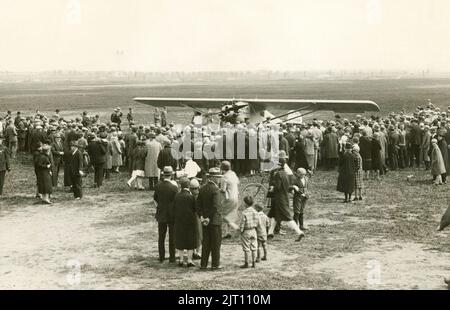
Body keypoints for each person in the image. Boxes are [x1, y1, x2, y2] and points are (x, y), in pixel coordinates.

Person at [267, 151, 305, 241]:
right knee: (274, 215)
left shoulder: (278, 174)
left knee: (287, 217)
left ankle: (299, 232)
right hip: (284, 197)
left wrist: (273, 188)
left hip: (278, 199)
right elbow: (287, 187)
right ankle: (270, 232)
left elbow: (278, 187)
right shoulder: (286, 174)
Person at [197, 167, 223, 270]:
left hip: (204, 221)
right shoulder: (216, 190)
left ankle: (203, 264)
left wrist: (202, 216)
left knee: (206, 242)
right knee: (216, 243)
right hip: (214, 220)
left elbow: (198, 205)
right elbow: (216, 206)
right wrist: (208, 218)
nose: (219, 179)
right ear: (213, 178)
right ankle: (215, 264)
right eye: (217, 177)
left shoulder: (202, 188)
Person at [153, 166, 179, 263]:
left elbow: (155, 199)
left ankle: (161, 256)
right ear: (171, 175)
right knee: (172, 237)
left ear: (163, 174)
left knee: (161, 236)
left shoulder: (158, 186)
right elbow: (177, 201)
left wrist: (158, 207)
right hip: (172, 215)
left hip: (161, 213)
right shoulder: (174, 188)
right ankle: (172, 257)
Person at [173, 177, 198, 267]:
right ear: (188, 185)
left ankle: (180, 259)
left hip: (179, 221)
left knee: (180, 240)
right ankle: (189, 260)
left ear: (180, 185)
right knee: (190, 240)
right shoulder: (191, 197)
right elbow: (196, 209)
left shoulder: (177, 196)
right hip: (190, 222)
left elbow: (173, 208)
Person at [220, 160, 240, 238]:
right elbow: (237, 182)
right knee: (229, 214)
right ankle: (227, 232)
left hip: (229, 197)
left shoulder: (224, 177)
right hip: (236, 196)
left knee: (223, 215)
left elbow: (223, 189)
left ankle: (236, 227)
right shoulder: (233, 174)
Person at [239, 196, 259, 268]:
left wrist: (241, 230)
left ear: (245, 204)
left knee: (246, 247)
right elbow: (258, 222)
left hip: (246, 231)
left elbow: (242, 223)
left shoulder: (244, 212)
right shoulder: (255, 212)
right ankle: (254, 263)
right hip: (253, 230)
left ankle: (246, 263)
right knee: (254, 247)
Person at [189, 178, 202, 260]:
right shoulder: (200, 196)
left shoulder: (189, 196)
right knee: (199, 234)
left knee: (193, 234)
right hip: (198, 217)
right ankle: (198, 251)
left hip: (191, 217)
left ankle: (193, 251)